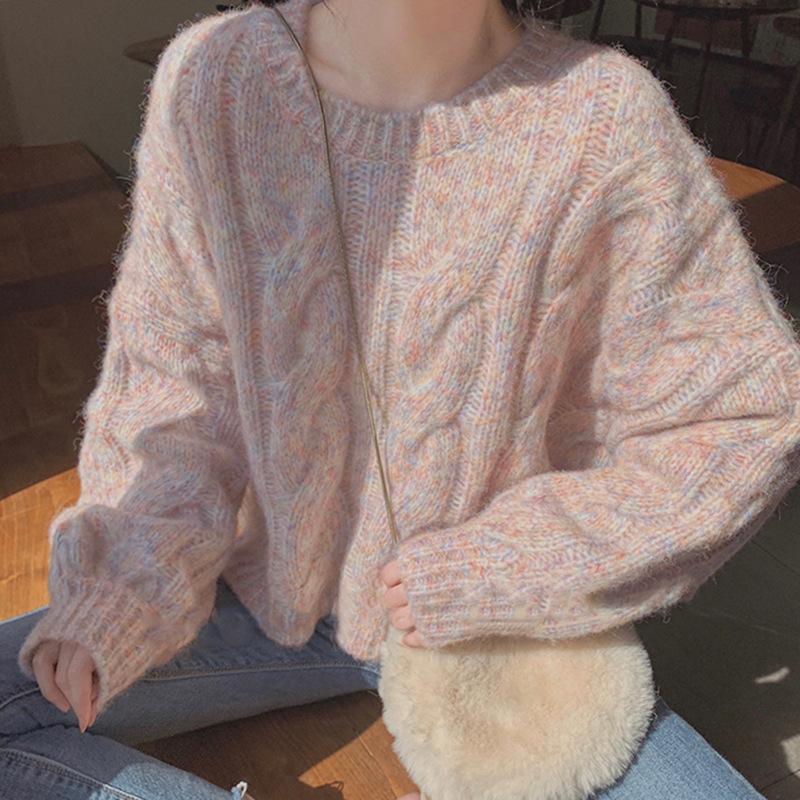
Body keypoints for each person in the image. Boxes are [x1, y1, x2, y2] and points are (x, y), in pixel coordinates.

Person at [2, 0, 797, 796]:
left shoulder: (603, 116)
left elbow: (746, 416)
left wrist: (505, 565)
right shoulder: (220, 76)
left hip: (499, 633)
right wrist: (121, 587)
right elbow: (174, 381)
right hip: (262, 590)